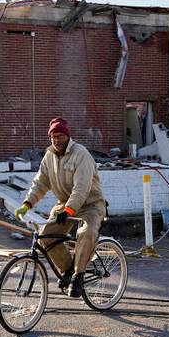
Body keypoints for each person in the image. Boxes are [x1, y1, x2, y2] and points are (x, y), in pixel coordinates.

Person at [14, 117, 106, 298]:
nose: (56, 140)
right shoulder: (49, 156)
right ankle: (69, 270)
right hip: (65, 204)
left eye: (60, 136)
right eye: (53, 136)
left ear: (67, 136)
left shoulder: (81, 154)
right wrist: (27, 203)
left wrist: (69, 211)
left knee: (86, 233)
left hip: (90, 204)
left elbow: (81, 188)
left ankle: (79, 276)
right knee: (45, 236)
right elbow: (40, 183)